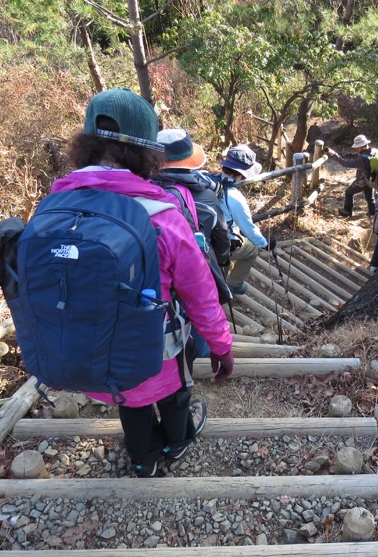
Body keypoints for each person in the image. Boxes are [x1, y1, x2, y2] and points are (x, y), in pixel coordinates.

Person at [51, 89, 234, 477]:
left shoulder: (54, 207)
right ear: (148, 153)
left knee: (129, 403)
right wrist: (221, 347)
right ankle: (176, 444)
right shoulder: (162, 217)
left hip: (91, 355)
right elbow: (200, 295)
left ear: (84, 145)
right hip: (155, 352)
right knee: (173, 393)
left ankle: (143, 460)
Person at [154, 128, 233, 364]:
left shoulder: (144, 189)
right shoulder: (206, 196)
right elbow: (222, 236)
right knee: (198, 302)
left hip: (157, 269)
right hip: (195, 264)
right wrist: (222, 261)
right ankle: (201, 351)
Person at [217, 144, 274, 295]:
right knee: (251, 250)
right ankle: (234, 285)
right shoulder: (234, 197)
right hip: (221, 243)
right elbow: (248, 228)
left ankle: (220, 279)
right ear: (242, 174)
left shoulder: (210, 183)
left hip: (204, 240)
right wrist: (265, 243)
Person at [326, 133, 377, 217]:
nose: (356, 149)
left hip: (364, 180)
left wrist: (335, 155)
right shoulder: (374, 151)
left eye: (357, 147)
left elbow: (345, 163)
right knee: (369, 196)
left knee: (348, 192)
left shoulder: (362, 159)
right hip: (373, 179)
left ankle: (347, 211)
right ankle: (373, 213)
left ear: (361, 146)